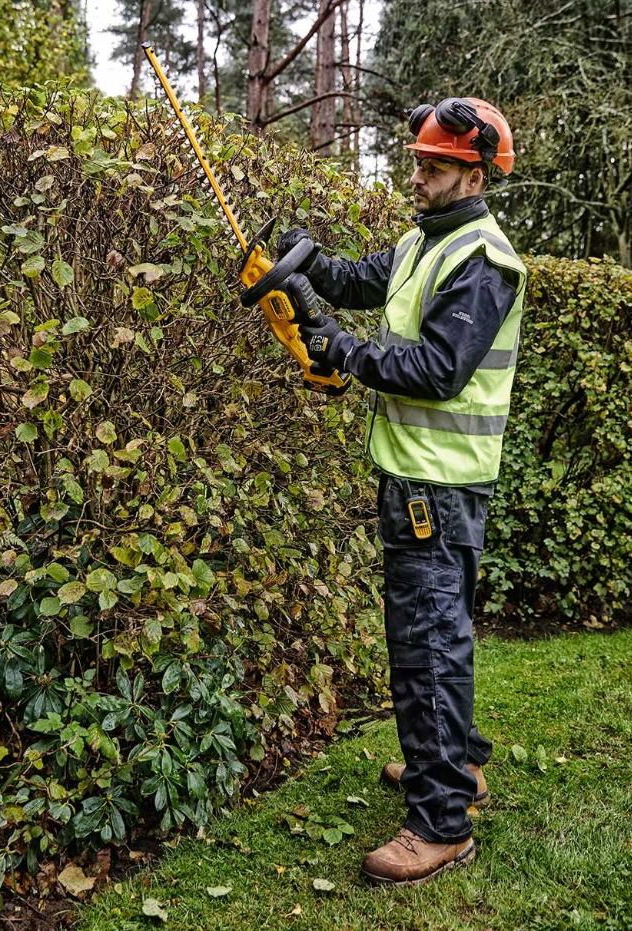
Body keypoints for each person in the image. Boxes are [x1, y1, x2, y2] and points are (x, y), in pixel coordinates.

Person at [277, 97, 527, 886]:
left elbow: (439, 369)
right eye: (417, 162)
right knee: (437, 634)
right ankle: (456, 766)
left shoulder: (481, 260)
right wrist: (307, 262)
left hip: (437, 485)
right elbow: (361, 280)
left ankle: (439, 821)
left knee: (426, 648)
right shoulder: (428, 239)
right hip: (420, 477)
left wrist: (344, 353)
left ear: (473, 173)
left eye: (433, 167)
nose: (415, 177)